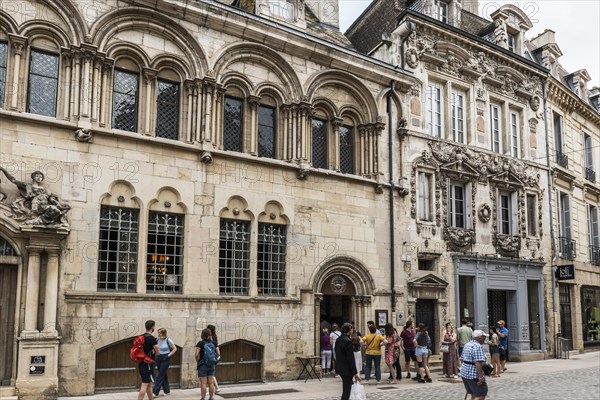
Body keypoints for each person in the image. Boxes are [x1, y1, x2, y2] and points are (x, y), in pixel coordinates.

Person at [460, 330, 489, 400]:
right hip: (473, 375)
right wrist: (480, 377)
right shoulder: (477, 346)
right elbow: (478, 362)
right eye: (484, 337)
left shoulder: (467, 344)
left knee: (474, 394)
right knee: (481, 395)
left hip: (465, 373)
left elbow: (461, 359)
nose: (485, 338)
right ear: (479, 337)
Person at [335, 323, 361, 400]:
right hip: (346, 370)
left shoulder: (338, 339)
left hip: (340, 367)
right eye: (351, 329)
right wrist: (355, 373)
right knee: (346, 391)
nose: (352, 330)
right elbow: (351, 359)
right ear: (349, 330)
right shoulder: (348, 341)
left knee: (347, 387)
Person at [138, 320, 160, 400]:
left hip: (142, 363)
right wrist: (157, 352)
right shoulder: (151, 338)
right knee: (144, 385)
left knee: (149, 384)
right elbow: (157, 350)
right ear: (152, 327)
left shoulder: (142, 337)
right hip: (148, 365)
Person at [152, 328, 177, 397]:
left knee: (160, 375)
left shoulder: (168, 340)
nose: (159, 334)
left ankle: (155, 392)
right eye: (158, 333)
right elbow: (155, 348)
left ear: (164, 333)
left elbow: (175, 349)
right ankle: (167, 391)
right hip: (158, 357)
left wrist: (168, 355)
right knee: (163, 374)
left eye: (160, 333)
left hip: (166, 358)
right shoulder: (157, 340)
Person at [195, 328, 216, 400]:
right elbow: (218, 353)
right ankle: (211, 397)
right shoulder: (214, 343)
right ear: (210, 334)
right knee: (211, 383)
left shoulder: (200, 343)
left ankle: (203, 398)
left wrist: (197, 360)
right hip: (212, 364)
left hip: (202, 365)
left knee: (203, 383)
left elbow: (196, 354)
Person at [207, 325, 221, 393]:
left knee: (210, 374)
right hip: (214, 357)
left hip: (210, 357)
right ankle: (215, 388)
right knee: (211, 373)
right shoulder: (215, 337)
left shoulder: (210, 338)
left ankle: (216, 387)